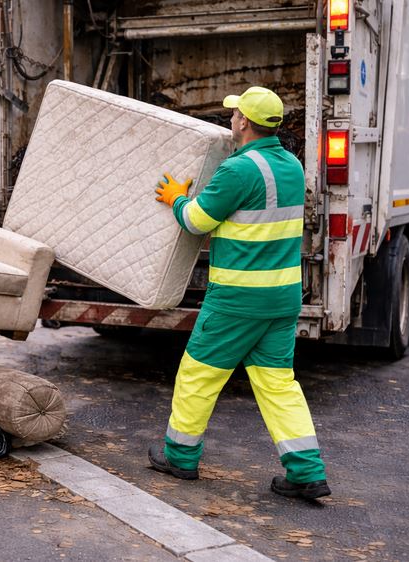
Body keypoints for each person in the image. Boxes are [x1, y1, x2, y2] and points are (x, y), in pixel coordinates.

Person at [149, 86, 330, 500]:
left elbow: (196, 220)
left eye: (234, 114)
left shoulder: (238, 170)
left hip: (236, 298)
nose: (231, 119)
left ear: (244, 122)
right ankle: (306, 471)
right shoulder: (292, 166)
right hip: (282, 297)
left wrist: (177, 198)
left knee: (199, 375)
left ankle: (179, 456)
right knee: (279, 385)